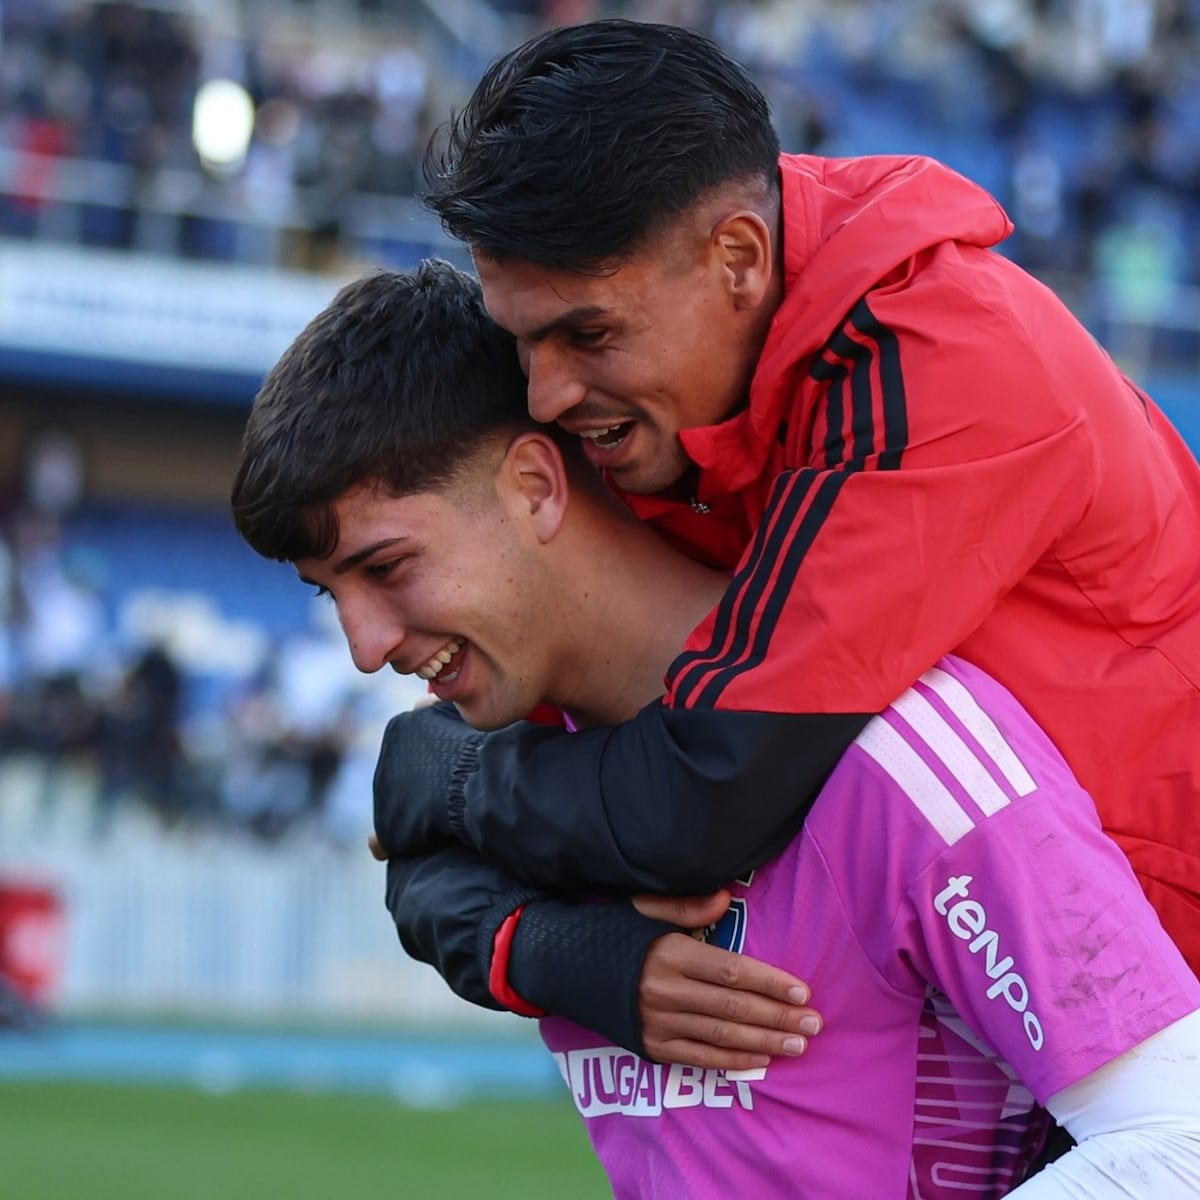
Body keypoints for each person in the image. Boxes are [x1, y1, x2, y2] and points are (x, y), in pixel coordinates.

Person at [230, 263, 1200, 1198]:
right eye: (333, 595)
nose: (363, 648)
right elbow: (423, 868)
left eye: (388, 568)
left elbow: (1179, 1145)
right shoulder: (519, 777)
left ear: (535, 485)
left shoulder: (904, 750)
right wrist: (559, 952)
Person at [370, 19, 1200, 1042]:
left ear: (740, 258)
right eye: (523, 341)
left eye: (587, 333)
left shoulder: (948, 358)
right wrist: (549, 949)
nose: (544, 395)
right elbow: (419, 849)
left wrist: (444, 776)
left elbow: (699, 803)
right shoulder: (663, 392)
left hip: (1153, 1034)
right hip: (1016, 1027)